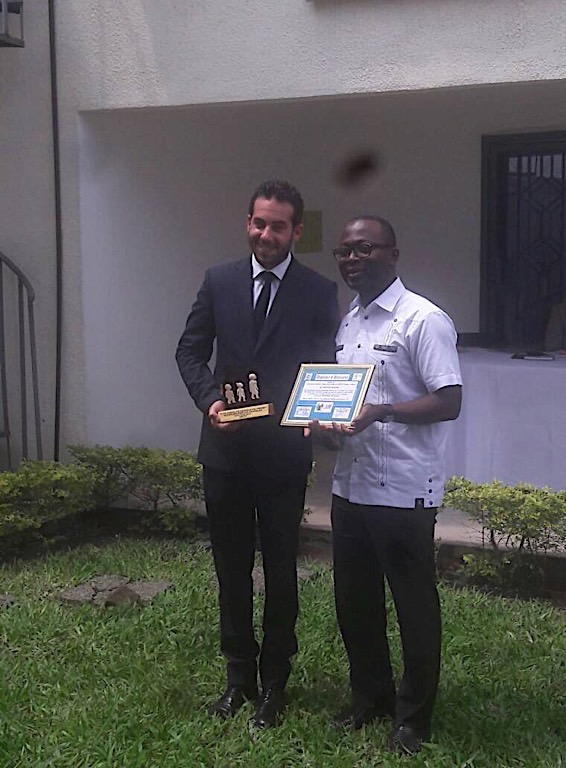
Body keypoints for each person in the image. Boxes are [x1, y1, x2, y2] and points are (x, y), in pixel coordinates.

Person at [176, 180, 340, 729]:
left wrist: (315, 411)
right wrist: (209, 400)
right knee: (230, 568)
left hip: (283, 455)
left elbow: (325, 363)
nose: (266, 234)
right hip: (224, 454)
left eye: (278, 226)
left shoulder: (318, 291)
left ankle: (275, 684)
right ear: (248, 223)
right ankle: (238, 679)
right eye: (259, 223)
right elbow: (189, 351)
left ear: (297, 231)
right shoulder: (218, 281)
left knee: (281, 568)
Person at [311, 216, 462, 756]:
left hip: (402, 489)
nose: (352, 259)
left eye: (364, 249)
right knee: (355, 603)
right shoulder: (349, 323)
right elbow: (344, 403)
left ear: (392, 254)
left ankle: (414, 717)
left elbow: (449, 400)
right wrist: (326, 428)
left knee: (413, 605)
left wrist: (382, 412)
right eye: (344, 252)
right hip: (351, 487)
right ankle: (369, 698)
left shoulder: (423, 319)